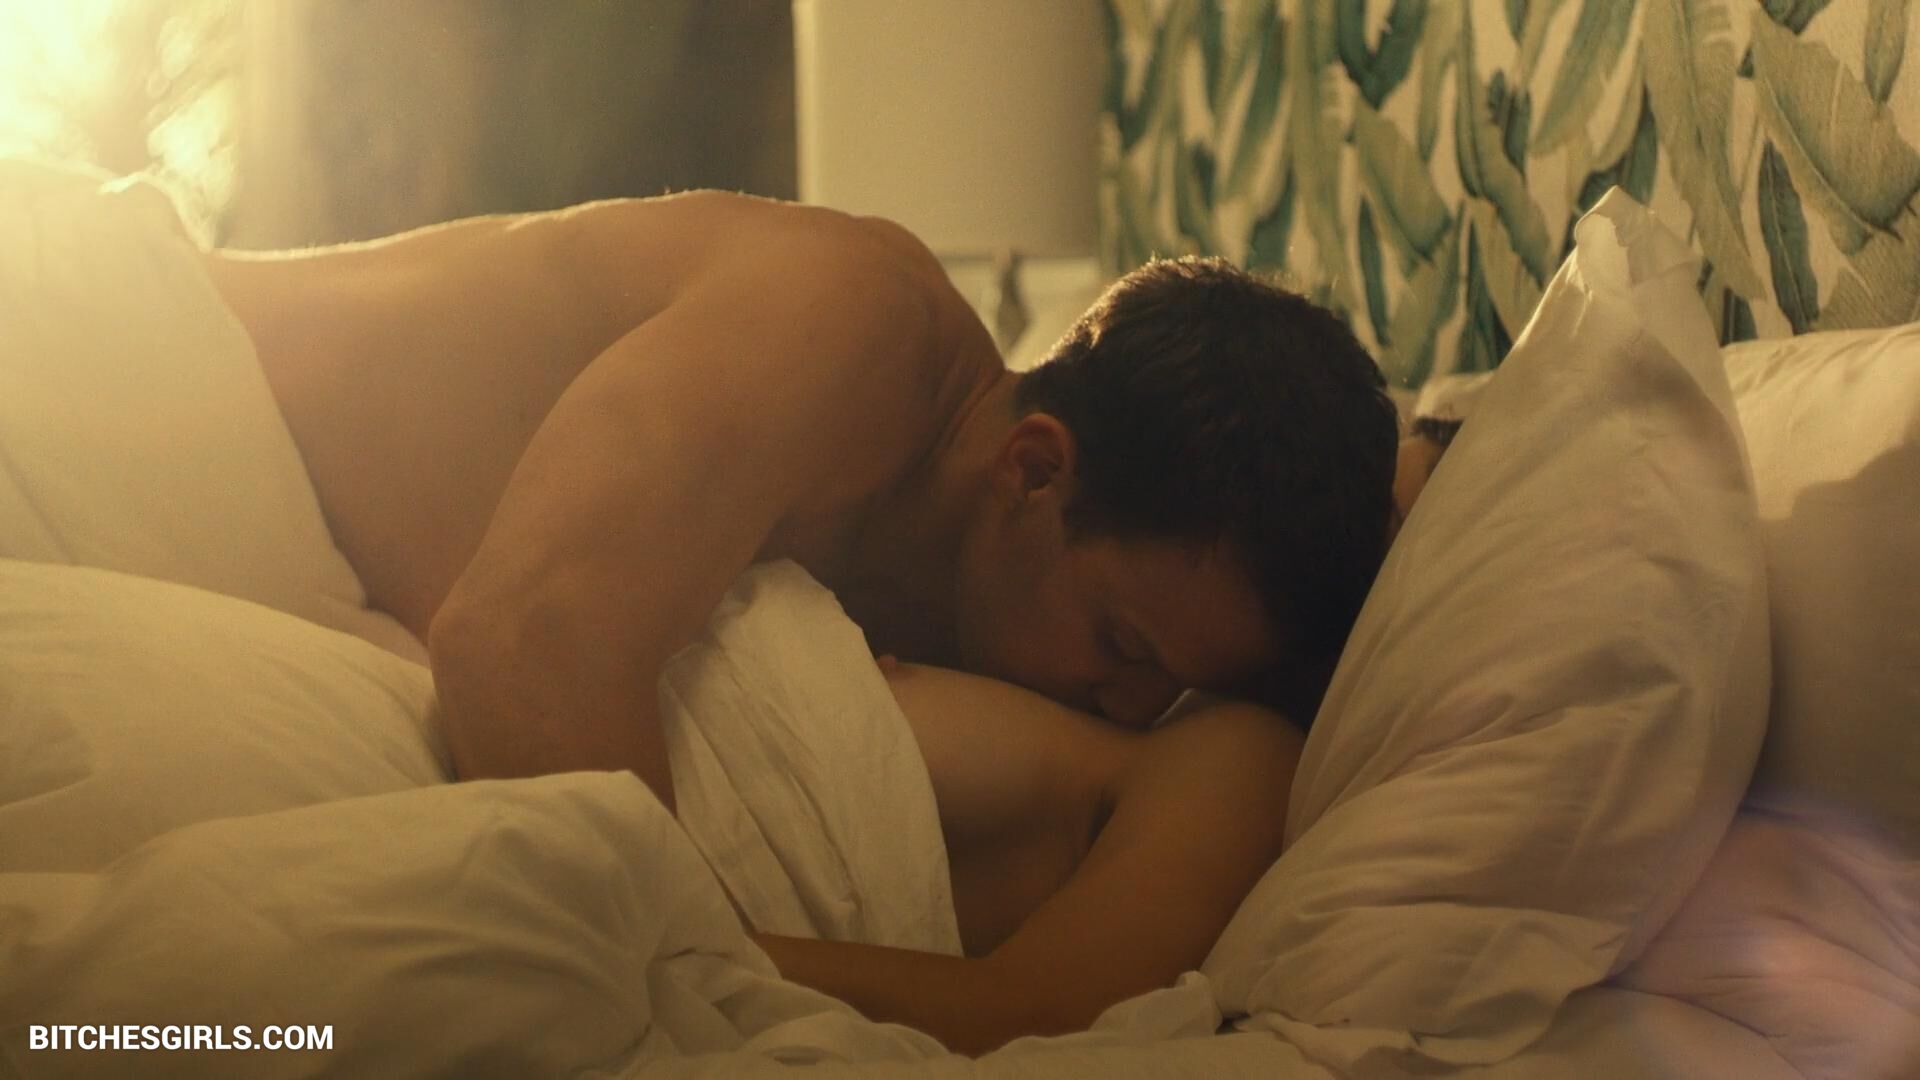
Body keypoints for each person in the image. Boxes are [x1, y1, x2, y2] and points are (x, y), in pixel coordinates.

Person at [202, 189, 1401, 805]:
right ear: (1033, 470)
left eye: (1170, 687)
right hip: (163, 376)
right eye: (1122, 647)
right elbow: (524, 647)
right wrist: (715, 992)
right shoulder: (849, 324)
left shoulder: (965, 589)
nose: (1131, 710)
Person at [757, 660, 1303, 1057]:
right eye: (1119, 643)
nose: (1132, 701)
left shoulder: (1238, 758)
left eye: (1122, 642)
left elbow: (1033, 1010)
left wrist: (726, 949)